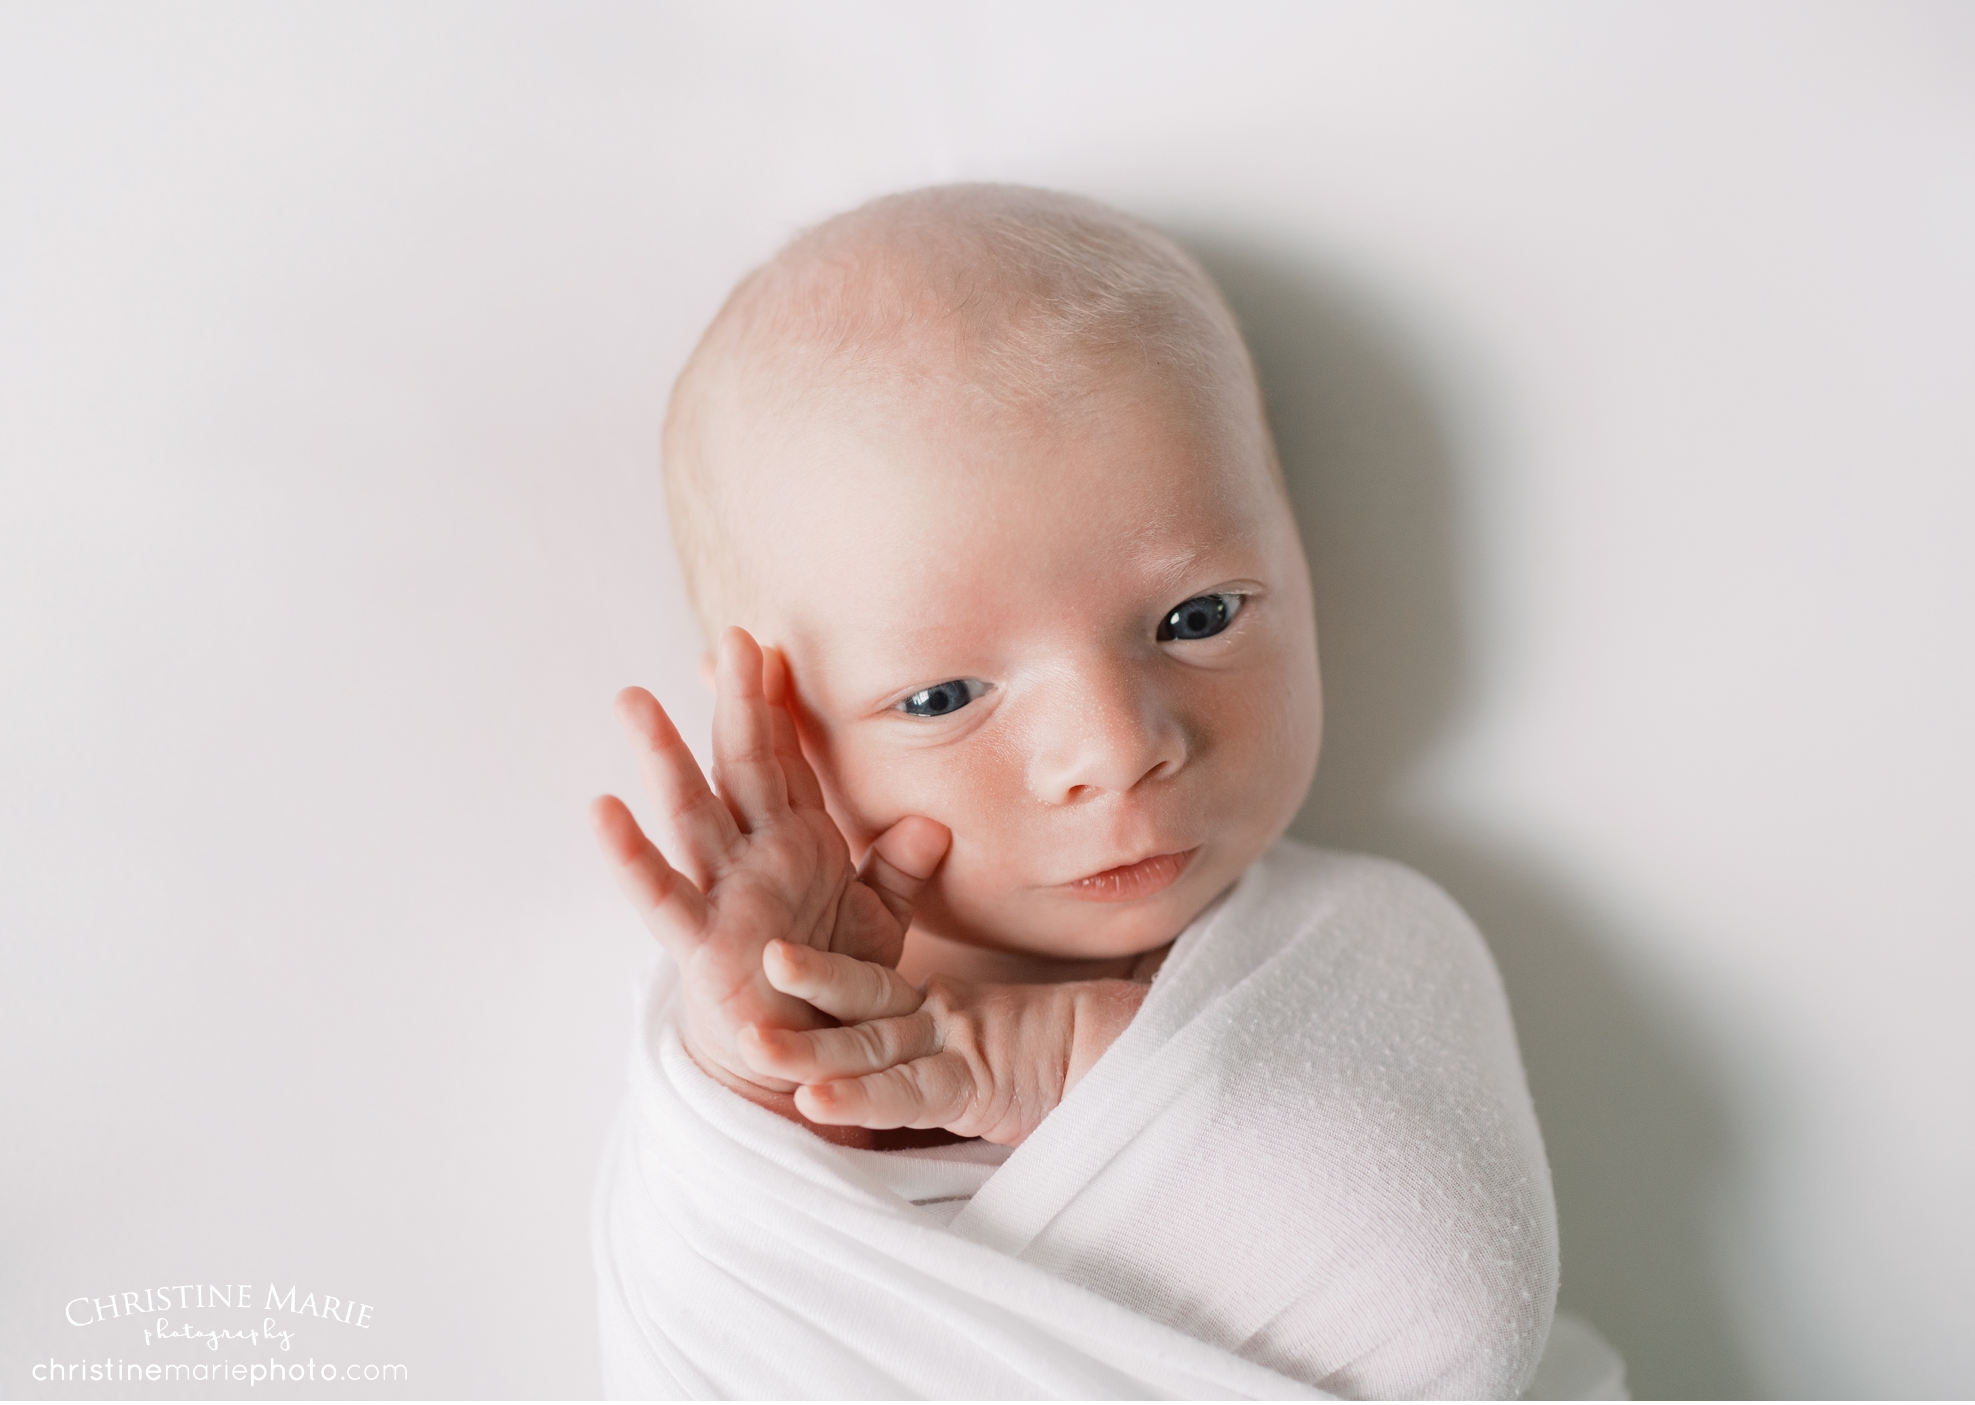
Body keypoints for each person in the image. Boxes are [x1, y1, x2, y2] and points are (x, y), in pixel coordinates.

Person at [590, 184, 1576, 1399]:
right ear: (782, 737)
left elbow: (1446, 1307)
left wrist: (1071, 1061)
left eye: (1195, 617)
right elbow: (705, 1346)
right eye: (945, 694)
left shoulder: (1362, 957)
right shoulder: (734, 1102)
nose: (1115, 748)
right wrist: (758, 1076)